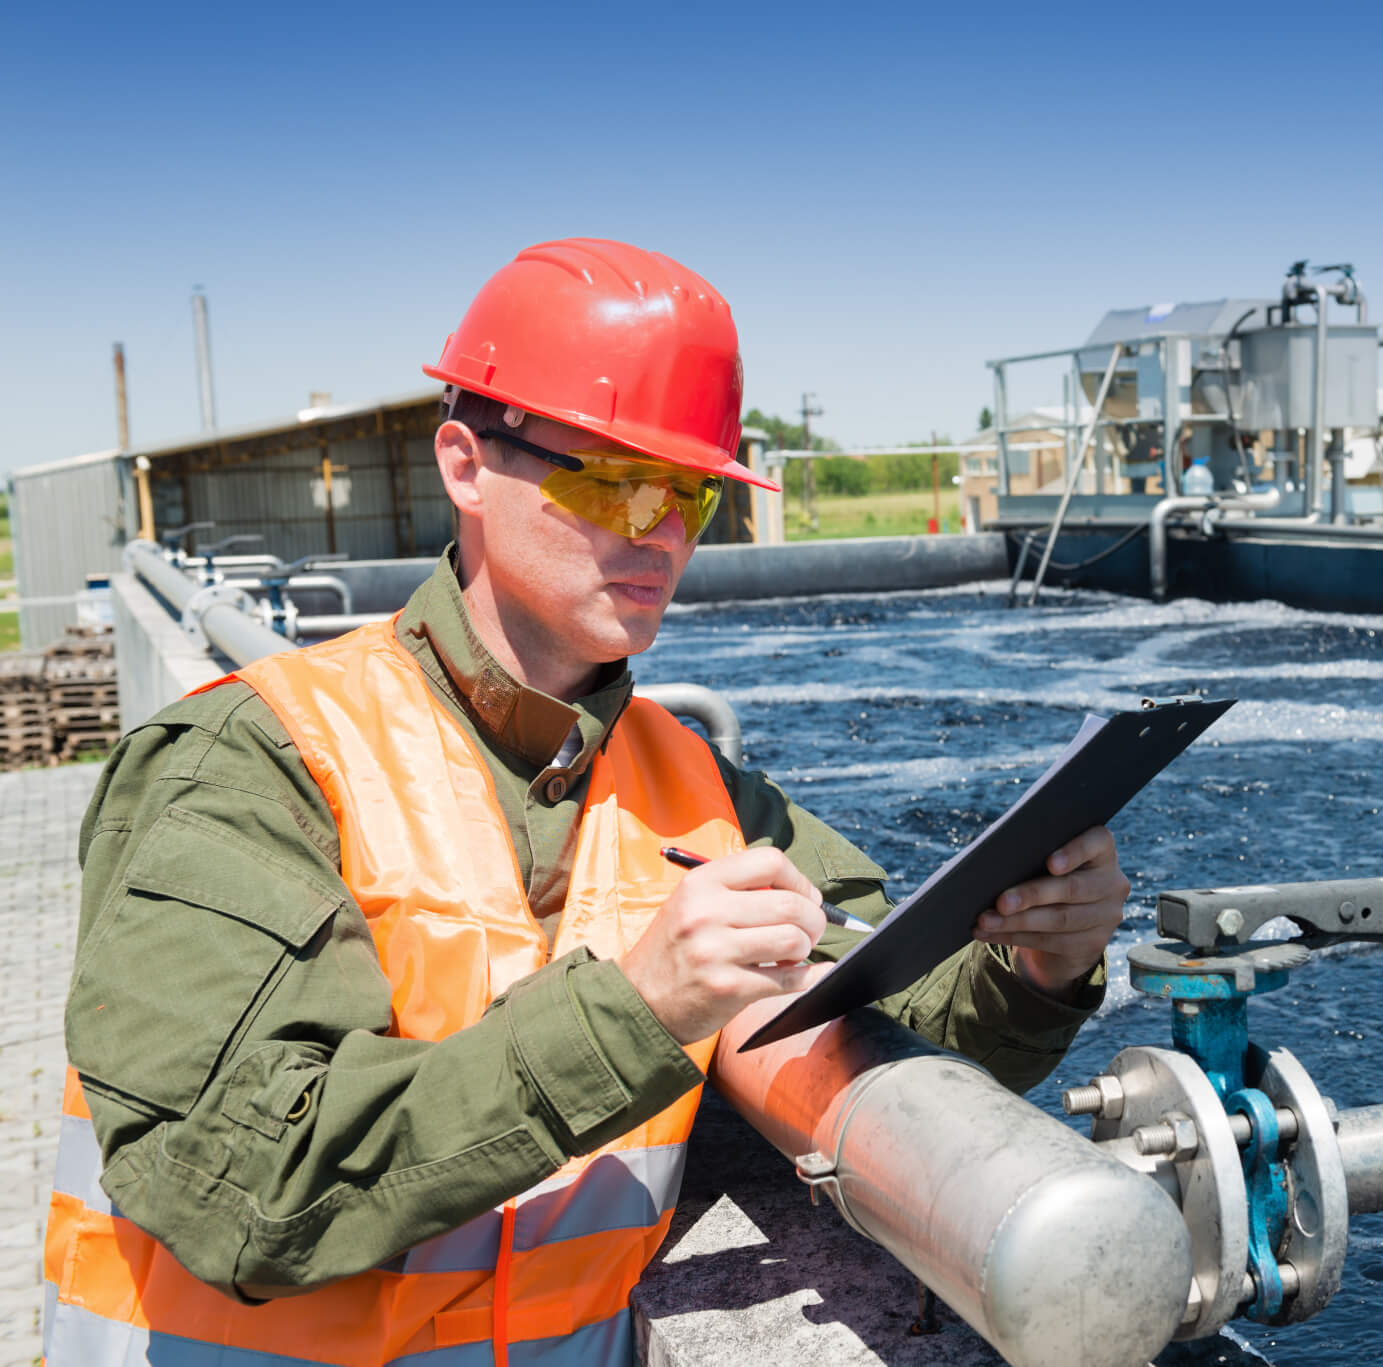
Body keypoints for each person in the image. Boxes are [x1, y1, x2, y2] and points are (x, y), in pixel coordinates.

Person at [43, 238, 1130, 1366]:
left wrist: (1034, 963)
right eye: (613, 478)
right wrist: (642, 1005)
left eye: (692, 493)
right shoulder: (246, 760)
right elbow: (238, 1186)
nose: (660, 529)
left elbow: (885, 1031)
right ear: (464, 464)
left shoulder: (697, 784)